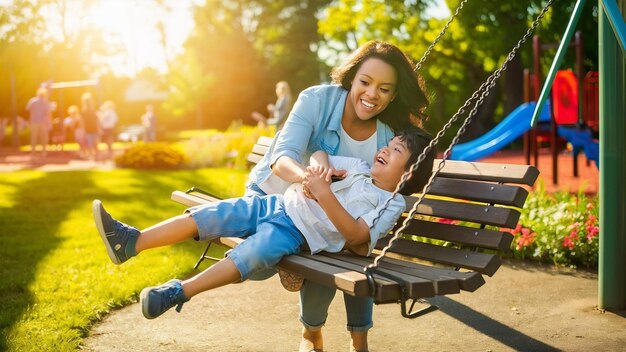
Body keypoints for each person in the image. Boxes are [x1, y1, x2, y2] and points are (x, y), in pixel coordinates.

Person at [92, 127, 434, 324]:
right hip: (276, 204)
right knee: (211, 215)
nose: (385, 149)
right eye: (388, 144)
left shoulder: (391, 202)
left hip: (295, 233)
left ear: (406, 174)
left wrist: (324, 193)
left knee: (251, 254)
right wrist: (318, 172)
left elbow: (358, 237)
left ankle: (178, 292)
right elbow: (318, 154)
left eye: (396, 150)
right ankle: (131, 242)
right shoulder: (359, 167)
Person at [245, 40, 430, 352]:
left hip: (329, 218)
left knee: (342, 248)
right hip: (274, 196)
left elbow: (407, 166)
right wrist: (312, 181)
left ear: (394, 94)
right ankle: (311, 328)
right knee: (264, 263)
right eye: (366, 82)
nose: (372, 95)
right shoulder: (317, 100)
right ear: (352, 76)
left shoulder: (389, 134)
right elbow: (282, 159)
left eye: (385, 89)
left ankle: (355, 341)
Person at [25, 87, 52, 159]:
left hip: (34, 122)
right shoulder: (46, 102)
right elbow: (48, 113)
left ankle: (33, 153)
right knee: (43, 138)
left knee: (34, 137)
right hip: (43, 122)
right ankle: (43, 152)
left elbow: (28, 110)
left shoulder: (33, 101)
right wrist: (49, 123)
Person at [81, 93, 99, 160]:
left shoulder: (87, 110)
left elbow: (83, 121)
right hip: (90, 129)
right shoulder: (88, 110)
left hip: (90, 129)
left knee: (91, 143)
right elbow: (83, 121)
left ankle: (93, 156)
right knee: (93, 143)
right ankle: (94, 156)